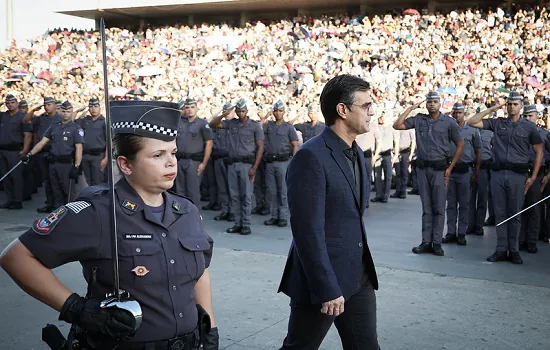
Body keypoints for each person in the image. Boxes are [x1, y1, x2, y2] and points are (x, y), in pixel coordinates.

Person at [0, 100, 219, 349]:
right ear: (125, 164)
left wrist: (210, 330)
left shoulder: (186, 211)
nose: (171, 162)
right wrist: (76, 308)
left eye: (173, 153)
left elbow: (200, 272)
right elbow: (16, 257)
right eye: (158, 155)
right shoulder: (100, 212)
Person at [277, 74, 380, 350]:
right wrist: (327, 288)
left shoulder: (356, 151)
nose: (372, 111)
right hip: (322, 281)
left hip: (359, 275)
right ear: (343, 110)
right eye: (366, 105)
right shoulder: (310, 157)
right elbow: (307, 232)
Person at [467, 92, 544, 264]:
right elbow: (471, 121)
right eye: (509, 104)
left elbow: (539, 151)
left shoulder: (529, 127)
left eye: (515, 104)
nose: (511, 107)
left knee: (515, 213)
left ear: (521, 107)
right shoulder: (498, 123)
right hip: (498, 173)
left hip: (518, 174)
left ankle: (514, 249)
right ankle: (501, 249)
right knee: (500, 213)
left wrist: (533, 177)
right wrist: (495, 107)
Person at [393, 92, 464, 257]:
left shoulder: (449, 123)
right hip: (423, 170)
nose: (432, 104)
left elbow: (460, 144)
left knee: (439, 208)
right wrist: (411, 108)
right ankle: (426, 241)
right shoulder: (419, 119)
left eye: (435, 102)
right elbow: (397, 125)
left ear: (440, 104)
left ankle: (437, 242)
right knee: (427, 208)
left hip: (440, 170)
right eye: (429, 102)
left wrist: (450, 168)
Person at [209, 98, 265, 235]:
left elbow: (260, 147)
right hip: (232, 164)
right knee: (234, 195)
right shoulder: (231, 123)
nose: (241, 113)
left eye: (243, 111)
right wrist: (225, 113)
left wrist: (254, 167)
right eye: (238, 111)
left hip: (247, 164)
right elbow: (212, 124)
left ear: (247, 111)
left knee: (246, 195)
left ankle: (246, 224)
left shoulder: (255, 126)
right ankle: (237, 223)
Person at [443, 103, 481, 246]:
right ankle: (451, 231)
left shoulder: (472, 130)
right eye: (455, 112)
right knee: (451, 203)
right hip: (451, 170)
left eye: (459, 112)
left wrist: (477, 169)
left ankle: (461, 233)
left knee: (464, 204)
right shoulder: (448, 129)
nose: (456, 115)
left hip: (466, 170)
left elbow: (478, 150)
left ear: (464, 114)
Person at [262, 100, 299, 227]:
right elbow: (258, 128)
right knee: (271, 191)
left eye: (280, 111)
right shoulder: (268, 126)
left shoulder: (289, 127)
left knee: (283, 190)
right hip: (270, 161)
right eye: (276, 110)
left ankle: (283, 216)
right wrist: (265, 116)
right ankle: (274, 215)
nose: (278, 113)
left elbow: (295, 145)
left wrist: (293, 162)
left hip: (284, 161)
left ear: (284, 112)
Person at [519, 104, 550, 254]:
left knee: (535, 208)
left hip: (537, 175)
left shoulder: (544, 135)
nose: (527, 118)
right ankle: (520, 239)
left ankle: (531, 240)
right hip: (521, 173)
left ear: (537, 117)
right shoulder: (519, 131)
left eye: (530, 115)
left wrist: (548, 175)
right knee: (520, 208)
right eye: (525, 116)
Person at [174, 98, 213, 208]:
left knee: (193, 192)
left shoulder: (202, 123)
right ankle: (181, 218)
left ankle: (194, 219)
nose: (190, 110)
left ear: (196, 108)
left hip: (194, 161)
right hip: (180, 160)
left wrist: (204, 164)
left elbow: (209, 144)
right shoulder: (179, 123)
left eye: (192, 107)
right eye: (187, 107)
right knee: (179, 191)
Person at [0, 94, 32, 210]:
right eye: (8, 103)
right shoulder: (4, 116)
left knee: (16, 177)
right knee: (5, 176)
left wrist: (25, 150)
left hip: (15, 150)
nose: (10, 105)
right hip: (3, 150)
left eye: (12, 102)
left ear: (17, 103)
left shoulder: (23, 117)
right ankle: (10, 199)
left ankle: (17, 201)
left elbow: (27, 135)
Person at [76, 98, 107, 186]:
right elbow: (71, 122)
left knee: (98, 182)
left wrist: (106, 158)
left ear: (100, 108)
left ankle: (99, 200)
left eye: (95, 106)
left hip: (98, 156)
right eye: (91, 106)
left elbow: (109, 142)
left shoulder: (104, 122)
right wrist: (79, 111)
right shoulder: (85, 121)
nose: (93, 109)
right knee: (89, 182)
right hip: (85, 155)